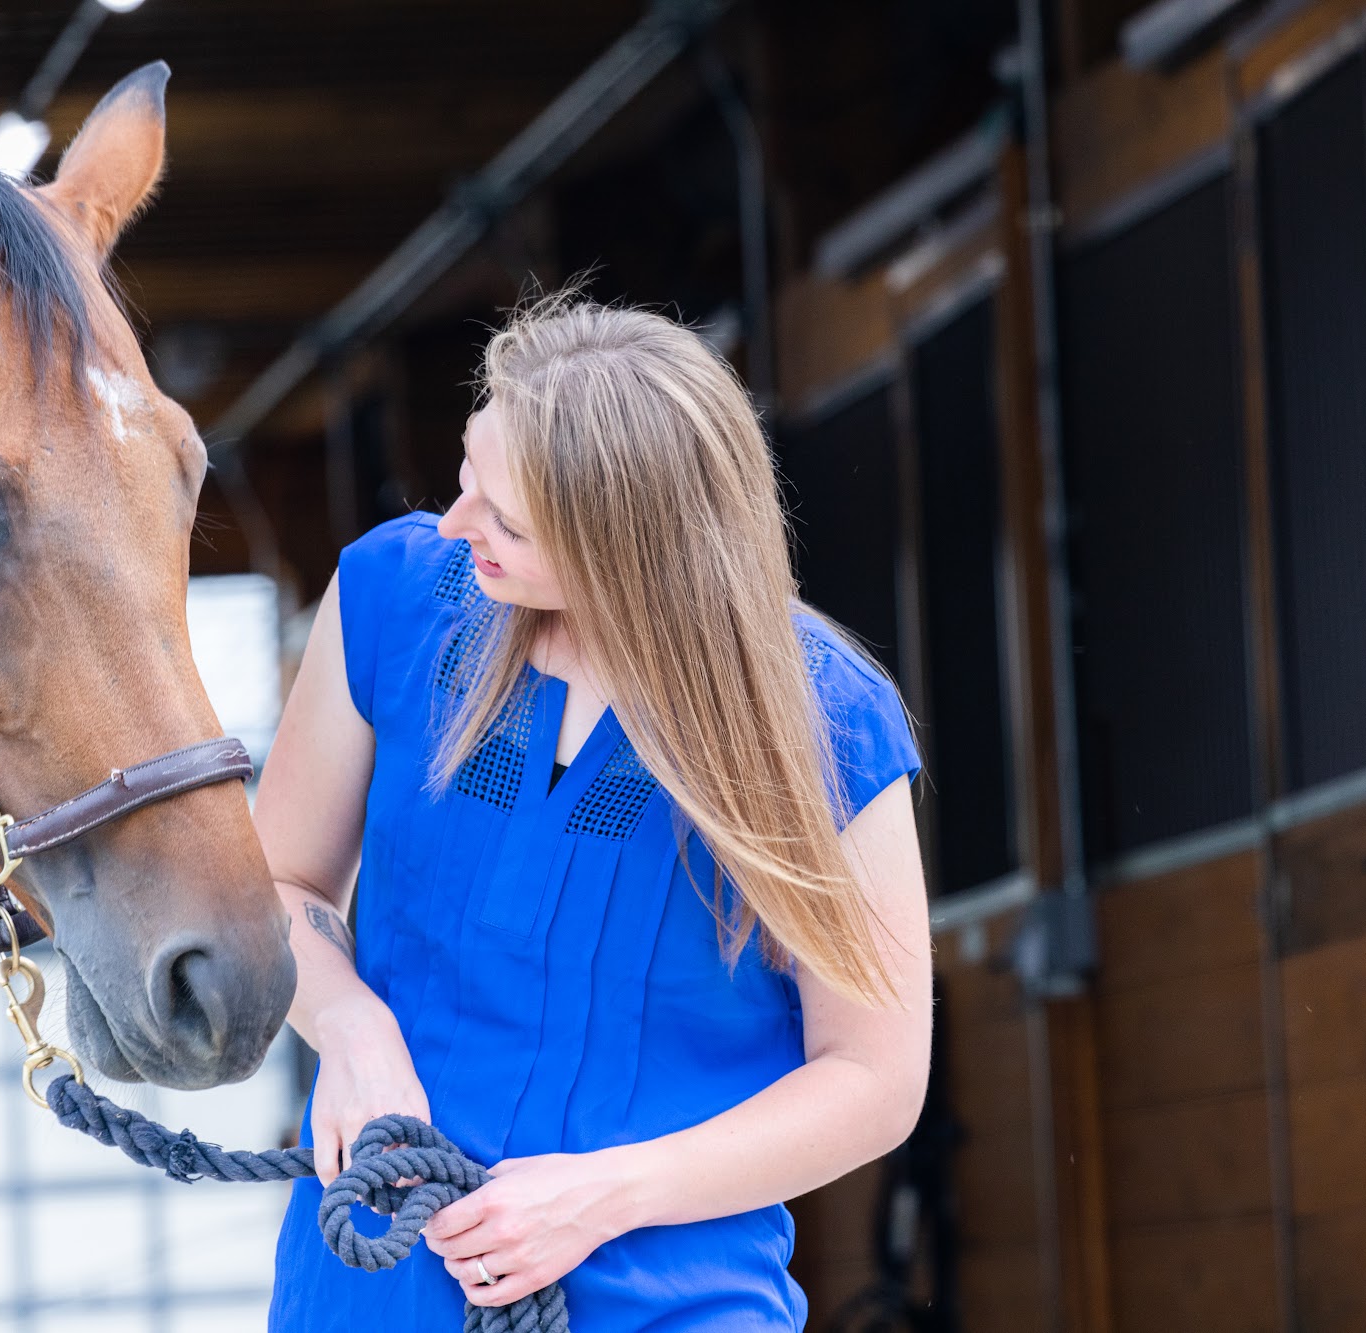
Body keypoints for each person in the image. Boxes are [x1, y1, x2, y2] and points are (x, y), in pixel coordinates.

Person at [256, 294, 932, 1331]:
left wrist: (602, 1195)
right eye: (468, 474)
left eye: (505, 518)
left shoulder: (828, 718)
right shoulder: (391, 598)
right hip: (369, 1283)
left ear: (623, 545)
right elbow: (278, 882)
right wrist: (350, 1028)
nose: (453, 524)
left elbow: (875, 1079)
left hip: (674, 1299)